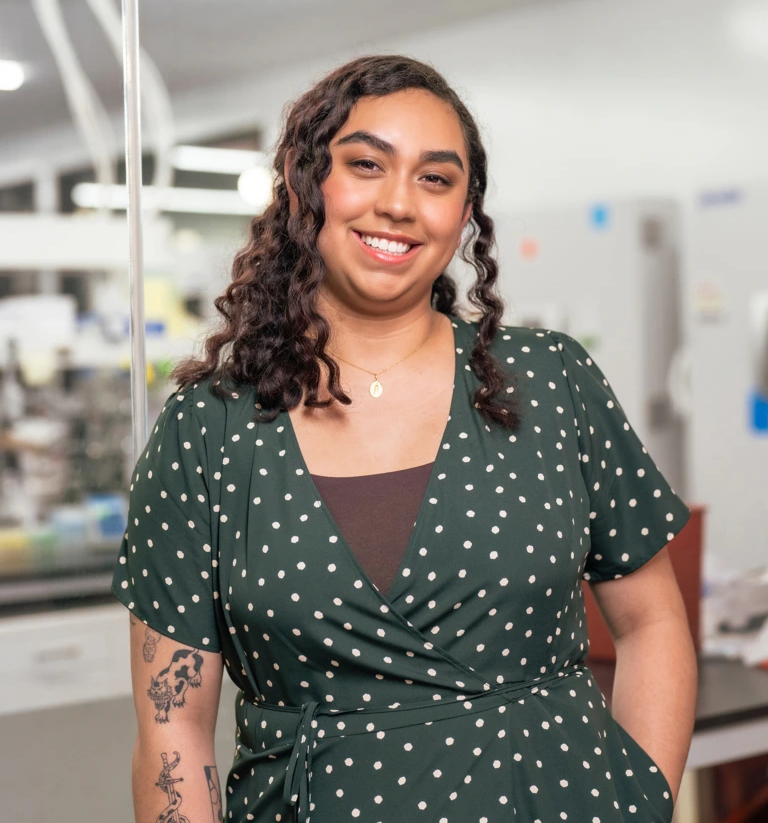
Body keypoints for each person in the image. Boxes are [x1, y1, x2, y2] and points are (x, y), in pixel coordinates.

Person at [111, 53, 697, 823]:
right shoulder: (207, 432)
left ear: (464, 212)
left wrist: (639, 802)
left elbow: (652, 622)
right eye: (365, 164)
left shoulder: (550, 381)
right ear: (301, 182)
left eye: (435, 178)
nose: (398, 203)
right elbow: (172, 729)